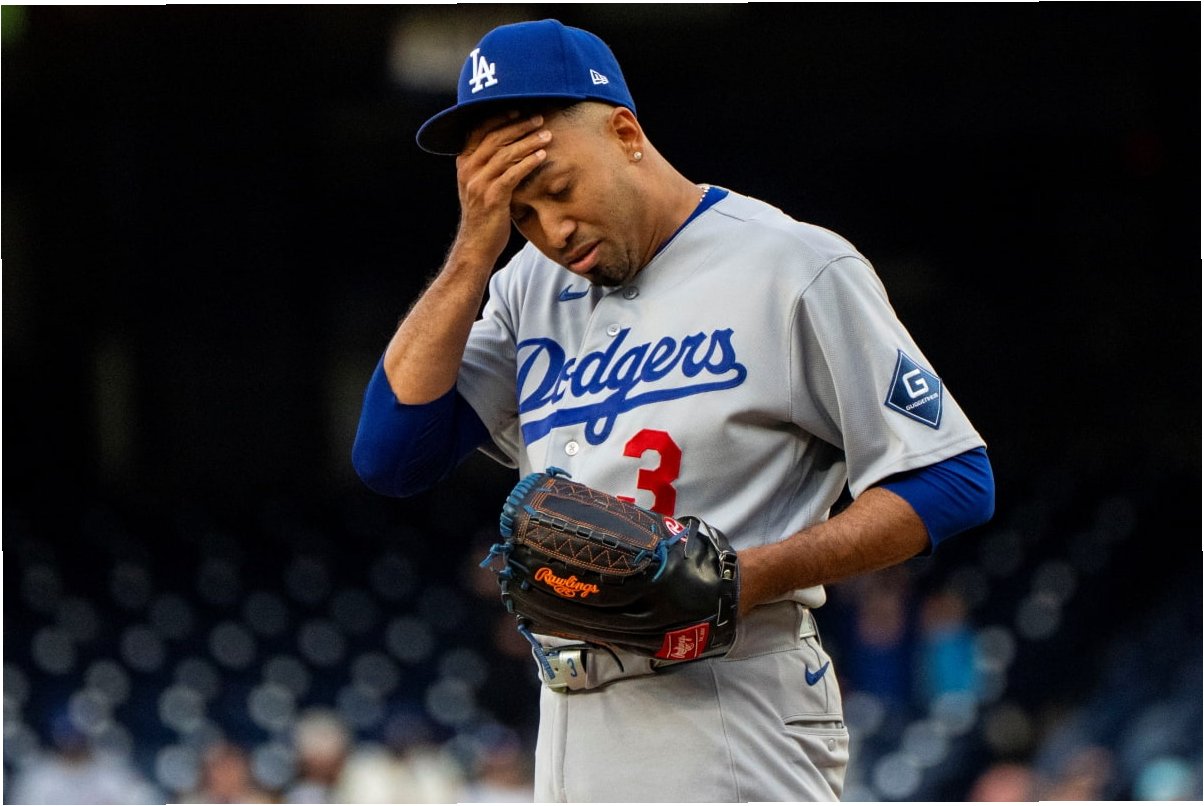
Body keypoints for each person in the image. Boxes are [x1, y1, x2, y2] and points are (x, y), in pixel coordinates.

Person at [352, 18, 994, 802]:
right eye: (520, 213)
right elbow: (392, 456)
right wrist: (473, 251)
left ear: (625, 134)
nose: (553, 231)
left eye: (559, 190)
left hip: (730, 696)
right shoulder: (527, 288)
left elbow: (954, 479)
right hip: (569, 714)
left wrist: (746, 576)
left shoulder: (790, 263)